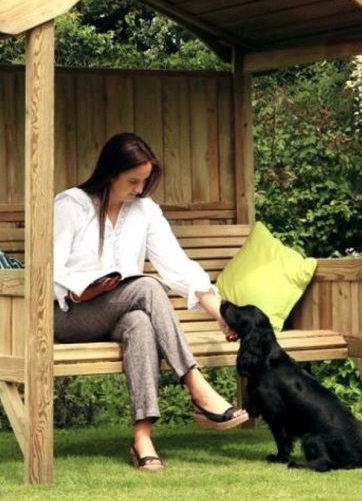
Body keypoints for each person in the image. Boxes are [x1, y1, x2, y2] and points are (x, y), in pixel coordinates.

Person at [53, 132, 248, 472]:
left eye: (144, 182)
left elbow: (179, 266)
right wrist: (78, 290)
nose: (139, 190)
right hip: (68, 316)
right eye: (132, 181)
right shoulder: (72, 205)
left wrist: (220, 314)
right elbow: (49, 269)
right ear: (110, 173)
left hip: (117, 316)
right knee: (147, 287)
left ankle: (142, 438)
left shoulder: (145, 211)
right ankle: (197, 388)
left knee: (141, 322)